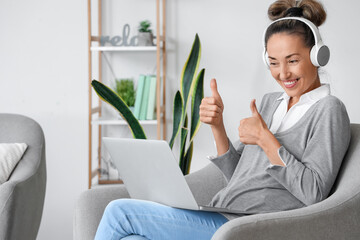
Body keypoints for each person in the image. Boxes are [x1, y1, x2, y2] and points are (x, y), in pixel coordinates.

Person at [94, 0, 351, 239]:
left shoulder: (329, 110)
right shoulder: (271, 103)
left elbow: (314, 193)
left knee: (120, 213)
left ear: (318, 56)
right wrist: (217, 126)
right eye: (273, 63)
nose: (283, 73)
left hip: (248, 225)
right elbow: (237, 176)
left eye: (292, 61)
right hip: (221, 212)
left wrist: (266, 139)